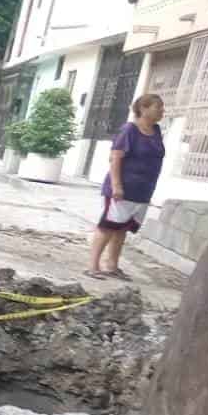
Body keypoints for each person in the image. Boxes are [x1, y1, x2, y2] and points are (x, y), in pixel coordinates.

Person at [88, 93, 166, 281]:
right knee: (107, 227)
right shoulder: (129, 130)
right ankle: (92, 267)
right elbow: (115, 158)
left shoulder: (156, 131)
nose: (163, 111)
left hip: (142, 191)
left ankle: (112, 266)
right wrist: (116, 186)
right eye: (159, 107)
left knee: (122, 229)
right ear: (144, 109)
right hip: (122, 189)